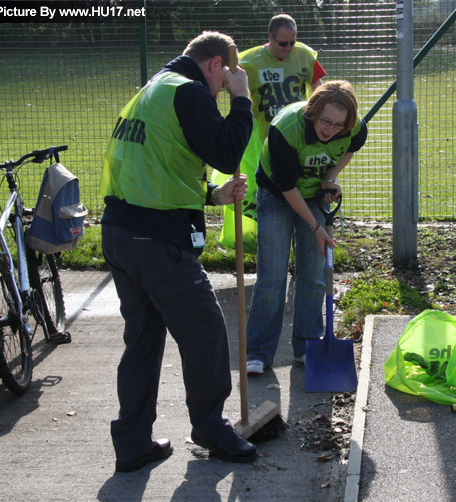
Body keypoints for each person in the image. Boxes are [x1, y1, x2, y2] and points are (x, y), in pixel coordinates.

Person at [98, 31, 259, 472]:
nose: (225, 86)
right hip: (156, 239)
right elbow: (227, 151)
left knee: (144, 340)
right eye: (226, 78)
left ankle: (132, 441)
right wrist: (241, 101)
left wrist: (211, 195)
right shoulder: (188, 91)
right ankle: (208, 425)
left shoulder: (153, 90)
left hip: (120, 231)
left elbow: (157, 163)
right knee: (205, 332)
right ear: (215, 65)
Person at [245, 80, 368, 375]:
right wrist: (315, 226)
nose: (330, 130)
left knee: (313, 273)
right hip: (277, 193)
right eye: (325, 121)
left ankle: (307, 345)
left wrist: (330, 177)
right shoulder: (286, 128)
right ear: (313, 111)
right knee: (272, 275)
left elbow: (352, 146)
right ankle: (258, 353)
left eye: (338, 125)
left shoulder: (354, 128)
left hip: (312, 192)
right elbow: (287, 185)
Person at [239, 13, 327, 143]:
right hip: (264, 133)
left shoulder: (304, 55)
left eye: (292, 42)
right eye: (283, 43)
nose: (289, 48)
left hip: (297, 129)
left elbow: (319, 89)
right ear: (271, 37)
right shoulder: (249, 61)